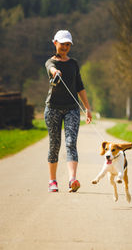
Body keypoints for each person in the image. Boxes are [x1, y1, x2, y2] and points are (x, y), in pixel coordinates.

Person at [44, 29, 92, 193]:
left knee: (71, 143)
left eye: (67, 44)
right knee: (54, 145)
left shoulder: (74, 64)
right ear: (55, 43)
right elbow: (51, 68)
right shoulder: (51, 63)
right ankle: (52, 181)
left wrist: (87, 108)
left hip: (72, 109)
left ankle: (72, 180)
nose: (64, 47)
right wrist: (55, 72)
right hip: (53, 109)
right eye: (62, 43)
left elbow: (79, 86)